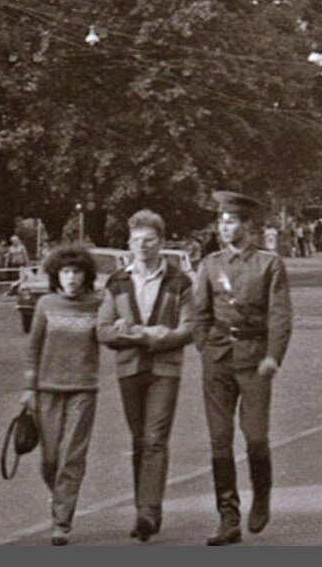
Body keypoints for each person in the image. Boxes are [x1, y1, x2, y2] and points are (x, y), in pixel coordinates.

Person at [192, 191, 293, 545]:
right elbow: (199, 313)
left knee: (254, 436)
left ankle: (261, 494)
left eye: (231, 221)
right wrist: (204, 345)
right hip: (218, 359)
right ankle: (228, 516)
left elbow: (280, 316)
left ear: (247, 226)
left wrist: (273, 356)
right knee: (219, 440)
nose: (224, 227)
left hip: (254, 359)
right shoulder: (209, 265)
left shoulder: (269, 264)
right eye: (221, 221)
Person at [96, 210, 195, 542]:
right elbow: (104, 330)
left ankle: (148, 513)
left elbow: (189, 327)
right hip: (129, 368)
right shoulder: (118, 282)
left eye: (149, 240)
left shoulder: (178, 281)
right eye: (136, 240)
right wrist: (137, 335)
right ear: (129, 242)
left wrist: (164, 337)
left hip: (165, 370)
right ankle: (144, 509)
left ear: (162, 243)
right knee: (139, 440)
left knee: (154, 439)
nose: (142, 246)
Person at [21, 244, 103, 545]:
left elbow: (109, 333)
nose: (71, 278)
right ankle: (59, 497)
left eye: (77, 272)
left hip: (83, 390)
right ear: (57, 275)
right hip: (47, 391)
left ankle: (61, 522)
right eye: (66, 272)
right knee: (51, 458)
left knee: (71, 456)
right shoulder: (45, 305)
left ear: (86, 276)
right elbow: (33, 347)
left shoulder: (97, 304)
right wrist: (29, 388)